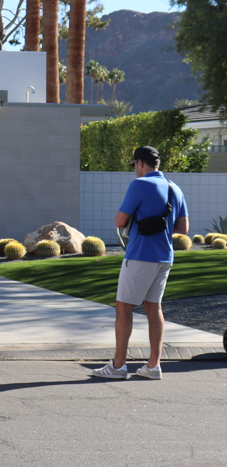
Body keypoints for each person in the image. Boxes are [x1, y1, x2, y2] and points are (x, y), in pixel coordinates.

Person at [92, 145, 189, 380]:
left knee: (124, 307)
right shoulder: (174, 188)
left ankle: (117, 367)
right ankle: (153, 366)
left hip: (140, 255)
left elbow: (119, 220)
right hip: (164, 257)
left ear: (140, 163)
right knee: (153, 308)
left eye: (134, 164)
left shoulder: (140, 184)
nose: (134, 169)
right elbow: (183, 229)